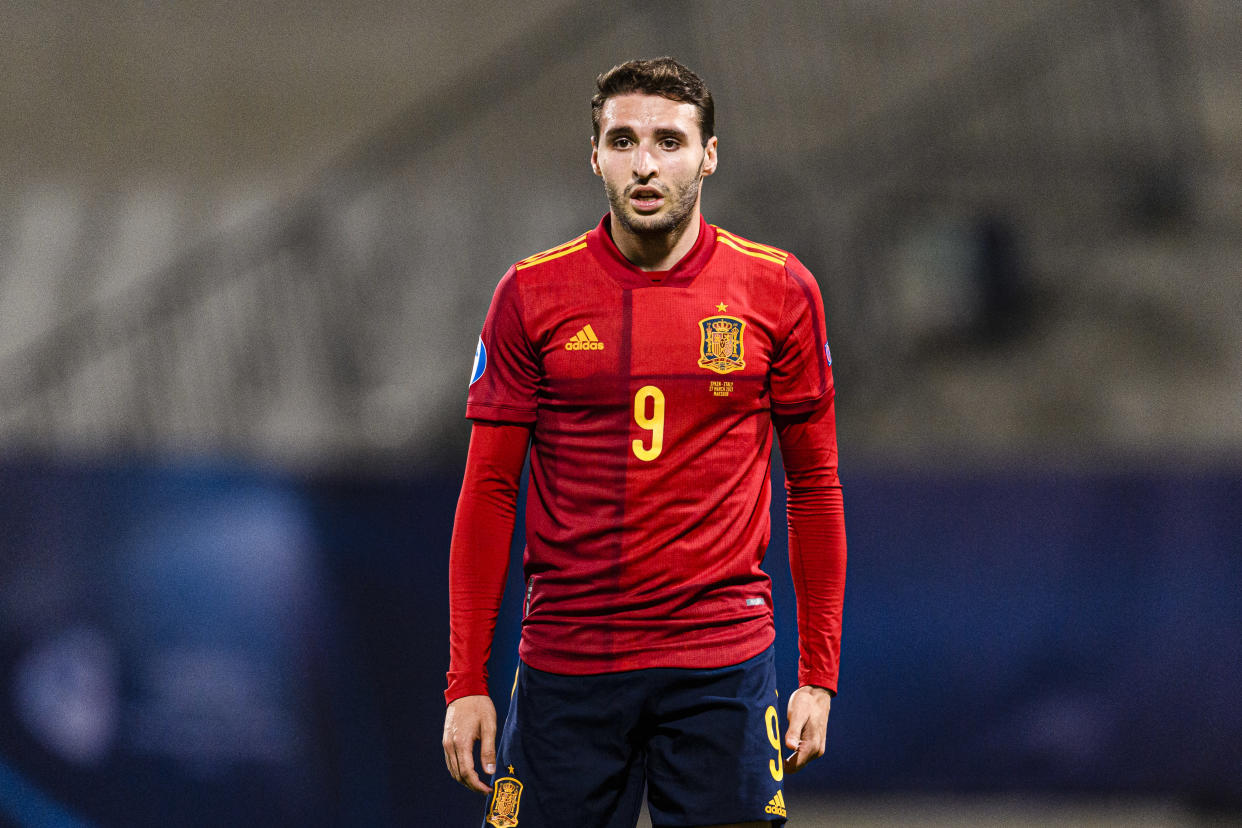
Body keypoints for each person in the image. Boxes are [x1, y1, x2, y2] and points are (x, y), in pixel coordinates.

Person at [442, 56, 847, 828]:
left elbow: (816, 486)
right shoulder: (530, 294)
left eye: (669, 141)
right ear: (594, 154)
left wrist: (817, 674)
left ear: (710, 154)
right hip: (568, 670)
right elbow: (490, 492)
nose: (646, 163)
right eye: (623, 141)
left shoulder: (781, 291)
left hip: (721, 673)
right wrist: (466, 681)